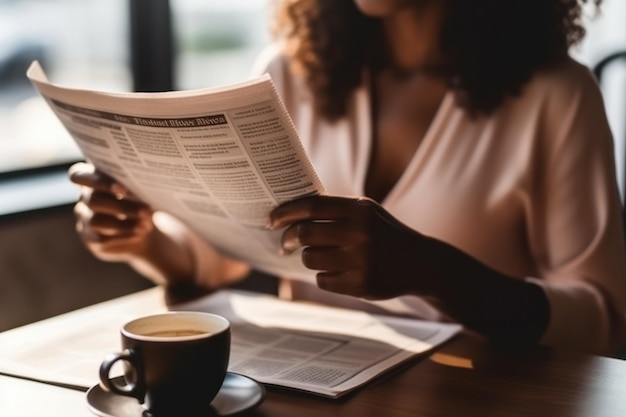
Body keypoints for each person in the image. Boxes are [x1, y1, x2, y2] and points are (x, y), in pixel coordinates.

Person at [69, 0, 626, 355]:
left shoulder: (557, 95)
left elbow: (603, 320)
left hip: (476, 397)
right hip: (313, 389)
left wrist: (435, 271)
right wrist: (145, 238)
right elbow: (227, 250)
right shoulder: (290, 73)